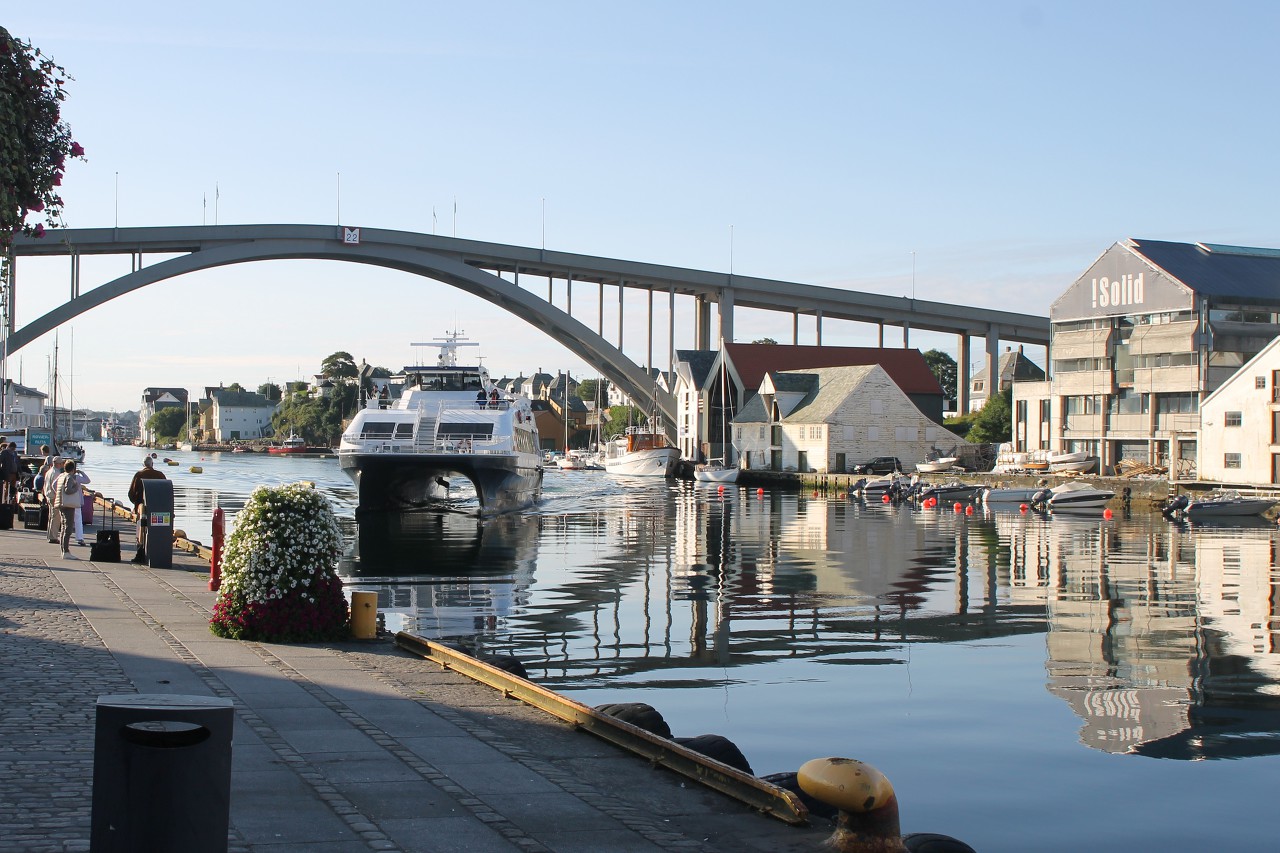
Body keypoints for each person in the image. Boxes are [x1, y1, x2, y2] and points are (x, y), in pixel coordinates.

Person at [128, 456, 167, 564]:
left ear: (143, 465)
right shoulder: (160, 475)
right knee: (154, 532)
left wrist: (136, 504)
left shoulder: (139, 475)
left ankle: (140, 555)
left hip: (142, 509)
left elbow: (131, 493)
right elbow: (165, 492)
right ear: (152, 464)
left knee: (140, 533)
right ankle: (155, 554)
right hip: (158, 509)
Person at [51, 460, 84, 559]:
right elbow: (68, 490)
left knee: (64, 527)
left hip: (61, 503)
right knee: (68, 528)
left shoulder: (61, 476)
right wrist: (76, 487)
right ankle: (66, 551)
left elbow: (55, 486)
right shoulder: (69, 477)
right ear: (73, 469)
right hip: (67, 505)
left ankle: (64, 550)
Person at [69, 464, 92, 546]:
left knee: (66, 520)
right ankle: (79, 538)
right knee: (78, 520)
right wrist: (81, 472)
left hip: (66, 501)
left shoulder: (63, 476)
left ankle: (65, 538)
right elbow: (88, 480)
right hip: (77, 501)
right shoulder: (77, 478)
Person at [41, 457, 63, 544]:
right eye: (61, 463)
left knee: (51, 516)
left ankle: (49, 535)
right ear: (59, 464)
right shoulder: (57, 473)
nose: (62, 465)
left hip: (48, 495)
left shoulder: (49, 471)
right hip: (54, 496)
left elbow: (45, 484)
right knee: (56, 517)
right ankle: (53, 537)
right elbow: (56, 487)